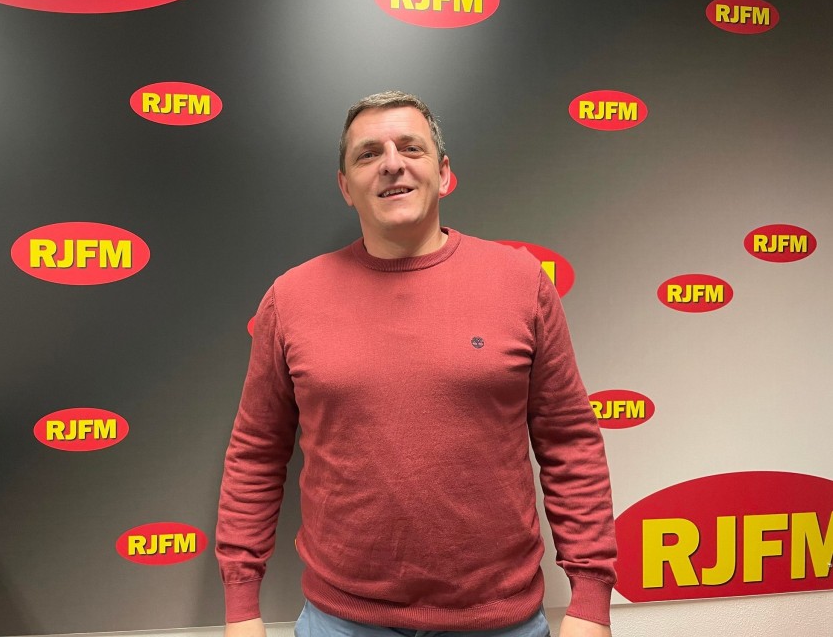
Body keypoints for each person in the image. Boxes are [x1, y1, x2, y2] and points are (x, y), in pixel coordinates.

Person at [216, 91, 617, 637]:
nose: (391, 164)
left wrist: (590, 599)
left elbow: (569, 442)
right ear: (345, 187)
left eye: (411, 147)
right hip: (342, 621)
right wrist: (241, 606)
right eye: (368, 154)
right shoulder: (291, 299)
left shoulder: (520, 282)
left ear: (444, 173)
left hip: (499, 621)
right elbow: (256, 454)